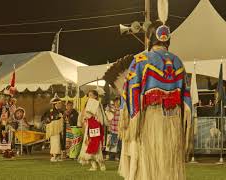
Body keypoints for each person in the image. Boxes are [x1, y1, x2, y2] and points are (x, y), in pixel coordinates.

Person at [118, 21, 192, 180]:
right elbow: (186, 98)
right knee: (169, 165)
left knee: (148, 164)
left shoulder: (141, 59)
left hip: (149, 120)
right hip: (173, 122)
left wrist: (131, 121)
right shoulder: (178, 62)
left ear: (149, 38)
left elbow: (131, 91)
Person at [78, 89, 107, 171]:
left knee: (96, 145)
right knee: (87, 145)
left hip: (95, 127)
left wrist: (93, 116)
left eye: (91, 95)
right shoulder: (87, 104)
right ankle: (93, 165)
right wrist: (84, 118)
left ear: (95, 96)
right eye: (89, 95)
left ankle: (101, 164)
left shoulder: (98, 104)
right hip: (88, 127)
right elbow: (84, 115)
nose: (89, 97)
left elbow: (101, 117)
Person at [44, 93, 64, 162]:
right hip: (53, 130)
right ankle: (53, 156)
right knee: (55, 142)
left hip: (59, 130)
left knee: (59, 142)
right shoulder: (50, 112)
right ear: (55, 104)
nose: (60, 105)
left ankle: (58, 156)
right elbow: (47, 120)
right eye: (59, 103)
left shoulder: (61, 111)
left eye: (60, 103)